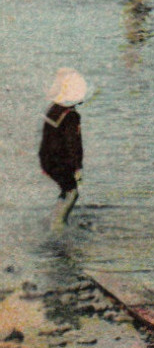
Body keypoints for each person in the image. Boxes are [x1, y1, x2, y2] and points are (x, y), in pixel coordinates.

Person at [39, 68, 87, 232]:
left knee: (65, 188)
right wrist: (77, 167)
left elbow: (47, 137)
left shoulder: (53, 109)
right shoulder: (71, 116)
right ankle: (58, 225)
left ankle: (55, 219)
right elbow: (73, 144)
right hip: (61, 161)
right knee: (72, 192)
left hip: (47, 159)